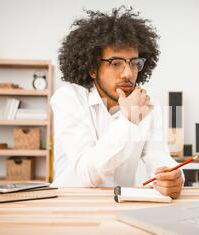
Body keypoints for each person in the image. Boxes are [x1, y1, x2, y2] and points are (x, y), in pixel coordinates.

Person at [51, 6, 184, 198]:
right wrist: (129, 120)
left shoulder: (147, 105)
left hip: (121, 204)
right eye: (115, 63)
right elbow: (87, 174)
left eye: (134, 63)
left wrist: (173, 176)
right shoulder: (68, 99)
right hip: (71, 206)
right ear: (92, 69)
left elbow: (159, 157)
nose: (128, 74)